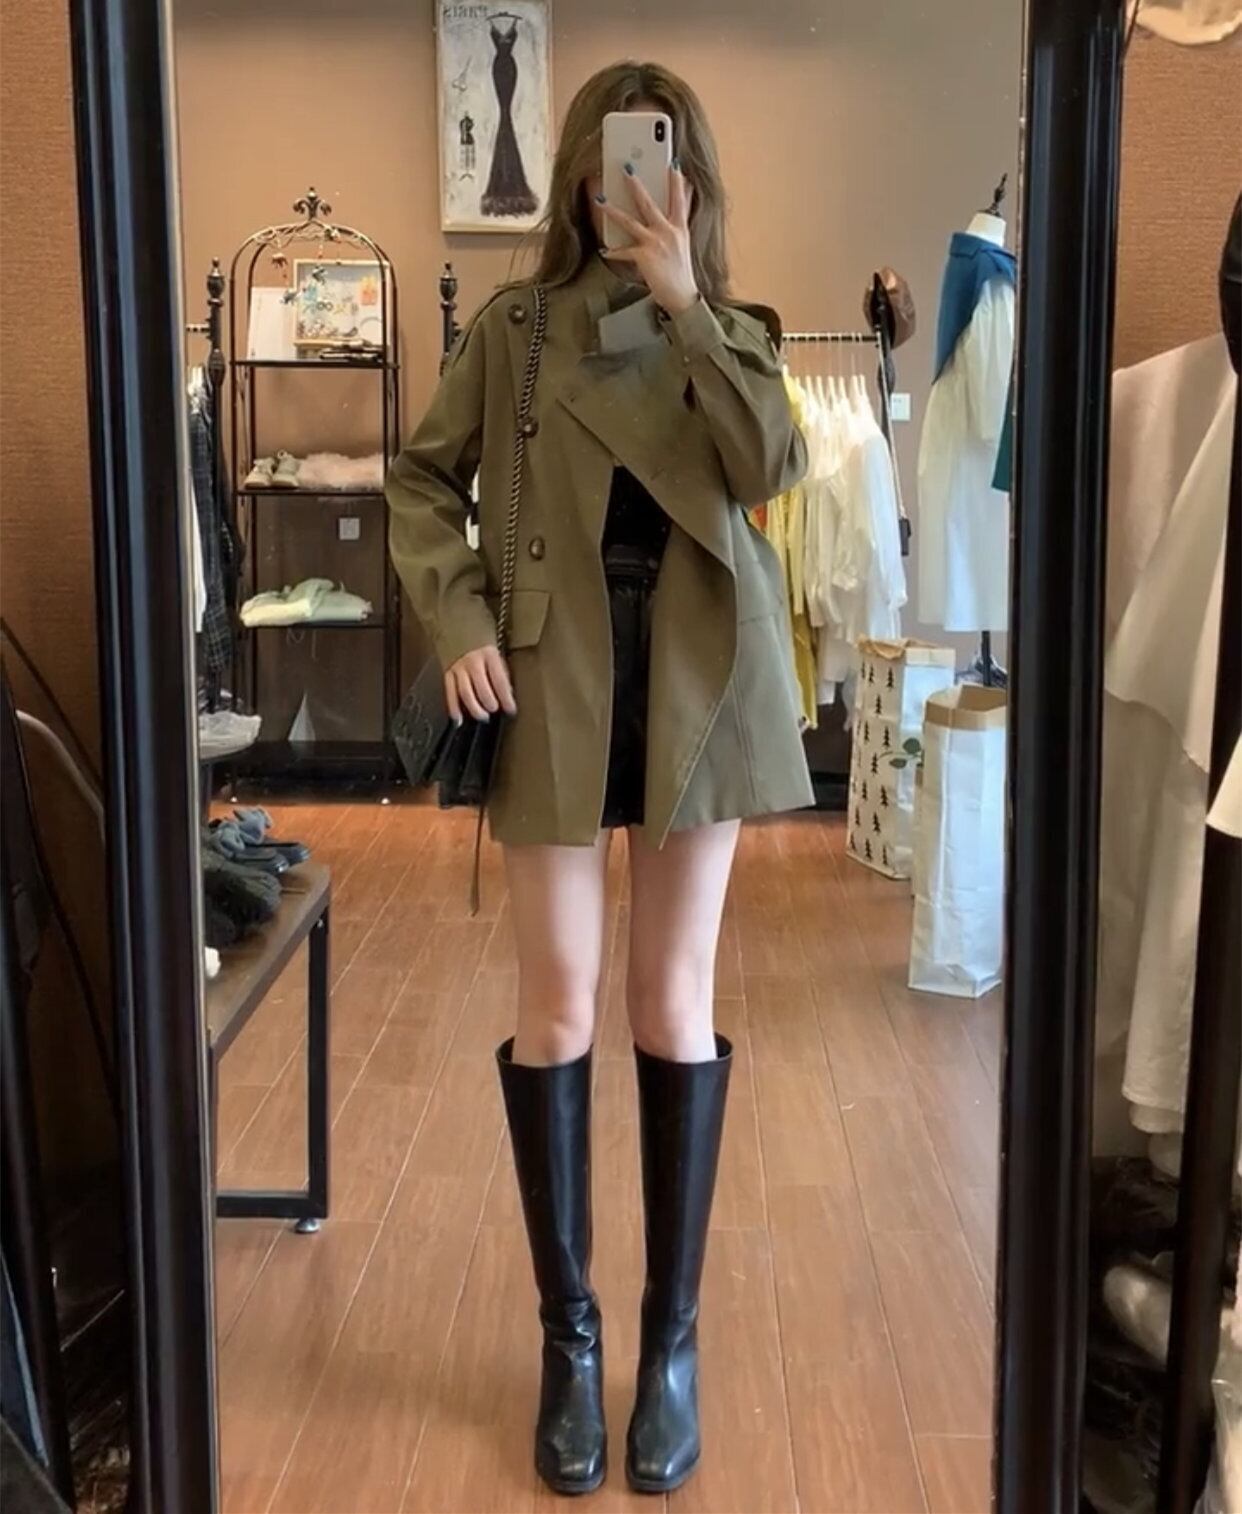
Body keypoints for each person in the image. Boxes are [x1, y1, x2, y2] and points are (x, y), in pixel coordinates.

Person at [387, 60, 811, 1497]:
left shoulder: (734, 330)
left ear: (691, 179)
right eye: (613, 159)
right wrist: (457, 622)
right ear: (578, 174)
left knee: (669, 1001)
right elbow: (421, 482)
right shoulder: (511, 332)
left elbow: (772, 465)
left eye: (659, 158)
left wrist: (687, 301)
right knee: (558, 1002)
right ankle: (570, 1342)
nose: (630, 184)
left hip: (699, 677)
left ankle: (668, 1346)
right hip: (553, 669)